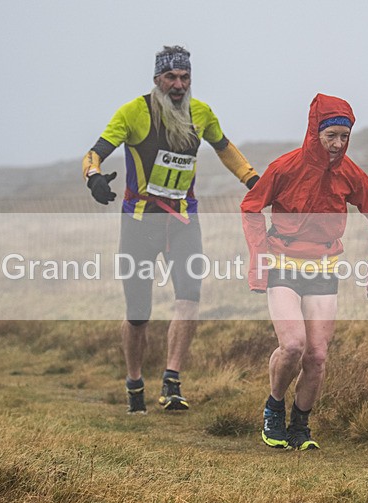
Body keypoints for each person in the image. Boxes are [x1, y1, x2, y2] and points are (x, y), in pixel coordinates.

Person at [82, 45, 259, 414]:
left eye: (184, 77)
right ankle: (134, 382)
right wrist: (93, 176)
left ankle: (172, 380)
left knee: (189, 296)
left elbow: (225, 149)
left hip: (183, 221)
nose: (178, 85)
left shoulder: (201, 113)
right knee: (138, 313)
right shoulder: (133, 113)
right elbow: (95, 152)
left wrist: (253, 180)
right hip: (139, 223)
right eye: (171, 78)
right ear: (156, 79)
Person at [241, 93, 368, 450]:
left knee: (317, 356)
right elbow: (250, 207)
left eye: (345, 136)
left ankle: (300, 426)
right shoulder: (284, 168)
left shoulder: (351, 174)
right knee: (293, 345)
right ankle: (274, 408)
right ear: (315, 133)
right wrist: (259, 263)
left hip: (324, 267)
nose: (338, 144)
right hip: (283, 263)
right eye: (331, 136)